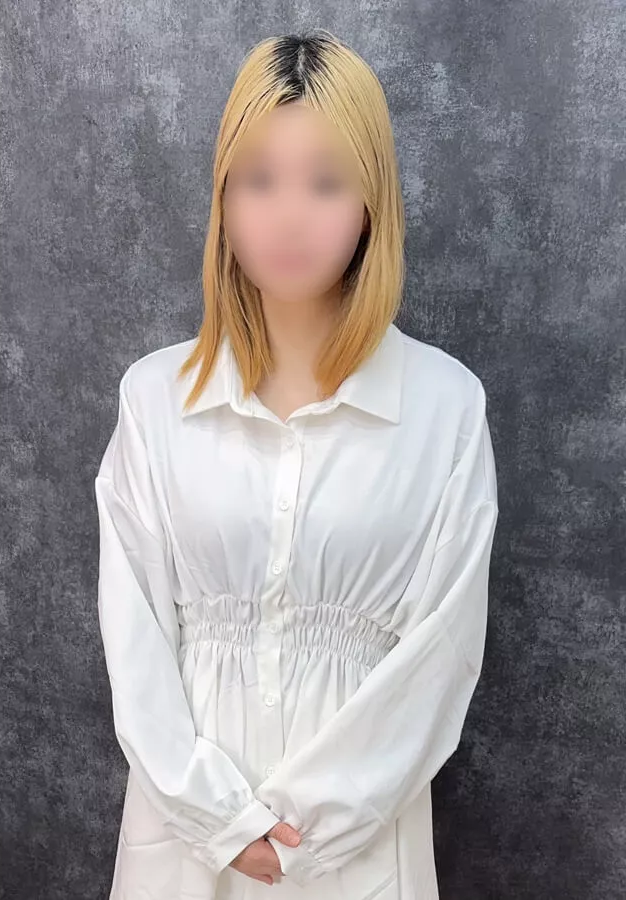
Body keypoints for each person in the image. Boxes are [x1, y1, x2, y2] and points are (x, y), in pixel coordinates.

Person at [94, 28, 499, 900]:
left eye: (325, 182)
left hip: (358, 849)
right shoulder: (155, 399)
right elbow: (134, 634)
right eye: (259, 179)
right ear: (224, 195)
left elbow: (441, 653)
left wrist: (305, 828)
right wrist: (218, 818)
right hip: (184, 844)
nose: (288, 216)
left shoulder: (445, 407)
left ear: (371, 202)